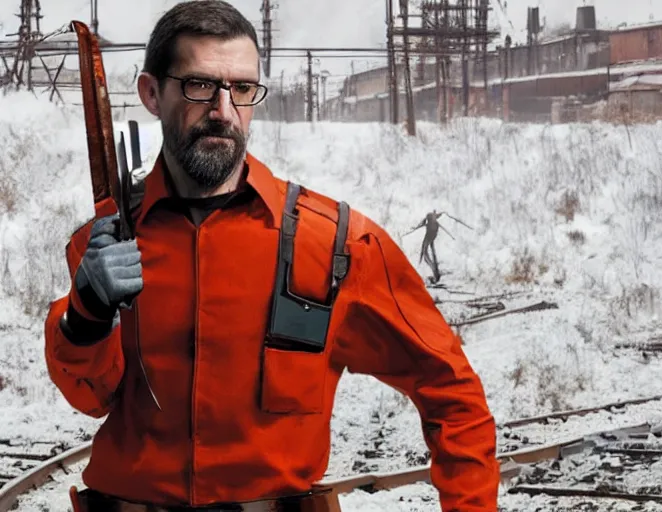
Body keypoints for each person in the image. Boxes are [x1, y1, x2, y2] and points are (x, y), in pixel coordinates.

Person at [44, 1, 500, 510]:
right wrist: (85, 314)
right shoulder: (106, 246)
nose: (223, 111)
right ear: (152, 93)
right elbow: (88, 398)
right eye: (200, 86)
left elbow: (451, 390)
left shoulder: (334, 246)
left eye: (241, 89)